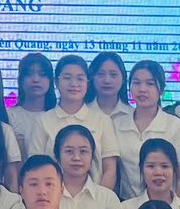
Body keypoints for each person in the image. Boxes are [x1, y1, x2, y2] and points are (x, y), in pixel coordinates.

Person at [33, 55, 119, 187]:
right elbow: (35, 166)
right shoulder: (43, 121)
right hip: (52, 196)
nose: (74, 84)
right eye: (67, 78)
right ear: (56, 82)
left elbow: (110, 169)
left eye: (80, 78)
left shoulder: (102, 120)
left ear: (87, 82)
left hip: (94, 196)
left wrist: (100, 197)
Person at [116, 60, 180, 200]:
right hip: (128, 205)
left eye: (150, 83)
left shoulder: (174, 125)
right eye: (136, 83)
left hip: (166, 205)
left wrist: (174, 207)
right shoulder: (118, 124)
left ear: (161, 89)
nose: (142, 89)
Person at [51, 123, 124, 209]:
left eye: (83, 151)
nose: (76, 157)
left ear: (92, 156)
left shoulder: (107, 199)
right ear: (57, 156)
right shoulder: (47, 196)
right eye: (69, 151)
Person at [7, 53, 55, 166]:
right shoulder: (9, 116)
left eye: (42, 74)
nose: (35, 79)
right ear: (20, 80)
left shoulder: (57, 116)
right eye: (29, 74)